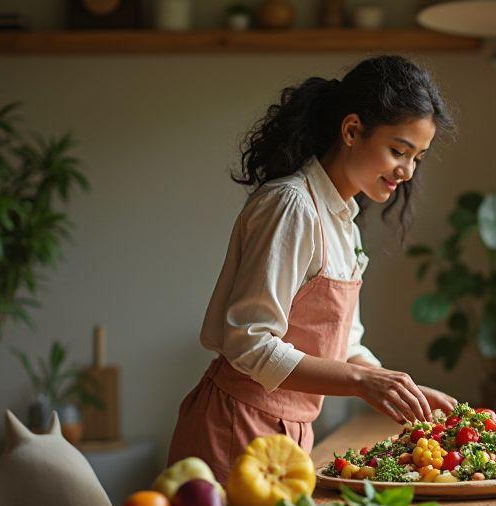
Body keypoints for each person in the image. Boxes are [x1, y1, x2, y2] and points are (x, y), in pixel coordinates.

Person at [167, 55, 459, 483]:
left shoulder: (344, 222)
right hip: (236, 428)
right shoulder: (292, 206)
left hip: (289, 433)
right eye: (399, 151)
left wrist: (399, 389)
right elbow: (249, 341)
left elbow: (345, 344)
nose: (407, 171)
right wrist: (361, 382)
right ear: (352, 130)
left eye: (418, 157)